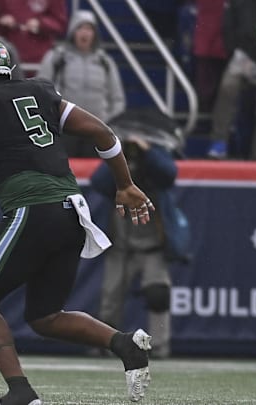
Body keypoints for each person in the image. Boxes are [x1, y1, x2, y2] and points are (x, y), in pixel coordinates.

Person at [0, 36, 153, 405]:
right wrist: (125, 184)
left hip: (32, 210)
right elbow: (103, 133)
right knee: (45, 316)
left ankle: (21, 393)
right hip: (73, 212)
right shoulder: (40, 92)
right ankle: (125, 345)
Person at [91, 119, 189, 359]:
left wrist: (148, 151)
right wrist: (120, 153)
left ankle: (160, 347)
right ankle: (105, 344)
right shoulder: (116, 158)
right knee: (110, 298)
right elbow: (99, 182)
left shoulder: (157, 154)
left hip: (152, 244)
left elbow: (168, 174)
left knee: (158, 294)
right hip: (122, 244)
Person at [36, 9, 125, 157]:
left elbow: (117, 99)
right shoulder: (57, 57)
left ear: (94, 33)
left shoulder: (105, 62)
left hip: (97, 131)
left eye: (89, 28)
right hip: (66, 129)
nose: (85, 33)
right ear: (73, 31)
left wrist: (107, 124)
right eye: (80, 28)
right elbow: (40, 90)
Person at [207, 0, 256, 160]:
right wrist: (235, 52)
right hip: (245, 56)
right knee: (228, 86)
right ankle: (218, 143)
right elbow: (228, 28)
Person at [0, 0, 67, 64]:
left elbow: (61, 24)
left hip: (40, 60)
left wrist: (41, 24)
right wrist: (1, 21)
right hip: (6, 56)